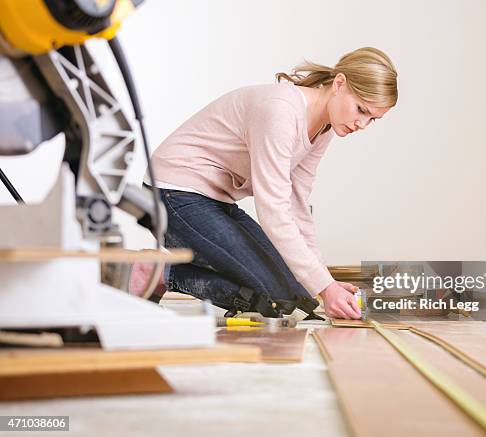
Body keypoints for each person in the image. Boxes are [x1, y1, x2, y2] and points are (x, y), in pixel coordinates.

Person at [129, 47, 398, 320]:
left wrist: (324, 281)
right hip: (171, 195)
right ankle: (159, 272)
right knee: (275, 298)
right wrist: (326, 288)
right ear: (339, 83)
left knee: (300, 293)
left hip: (214, 201)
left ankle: (165, 270)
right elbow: (274, 210)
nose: (362, 123)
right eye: (361, 109)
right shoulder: (281, 111)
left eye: (372, 118)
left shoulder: (324, 127)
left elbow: (297, 206)